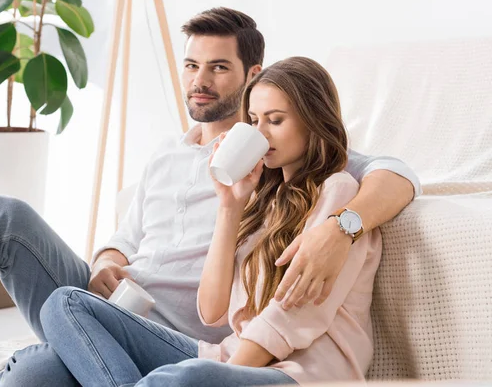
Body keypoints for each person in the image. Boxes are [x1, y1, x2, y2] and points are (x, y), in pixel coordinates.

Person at [0, 7, 418, 387]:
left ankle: (19, 359)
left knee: (30, 376)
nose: (200, 81)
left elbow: (394, 173)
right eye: (192, 66)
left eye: (218, 68)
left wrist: (340, 226)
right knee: (1, 216)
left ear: (252, 76)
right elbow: (125, 238)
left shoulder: (275, 163)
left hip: (184, 334)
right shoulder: (168, 156)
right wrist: (106, 261)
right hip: (112, 306)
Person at [39, 56, 383, 386]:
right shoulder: (263, 200)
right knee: (65, 303)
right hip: (226, 358)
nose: (260, 134)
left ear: (313, 121)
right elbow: (212, 311)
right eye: (253, 121)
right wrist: (229, 207)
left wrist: (219, 374)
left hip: (301, 374)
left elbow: (297, 316)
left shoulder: (339, 192)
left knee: (185, 379)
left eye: (275, 121)